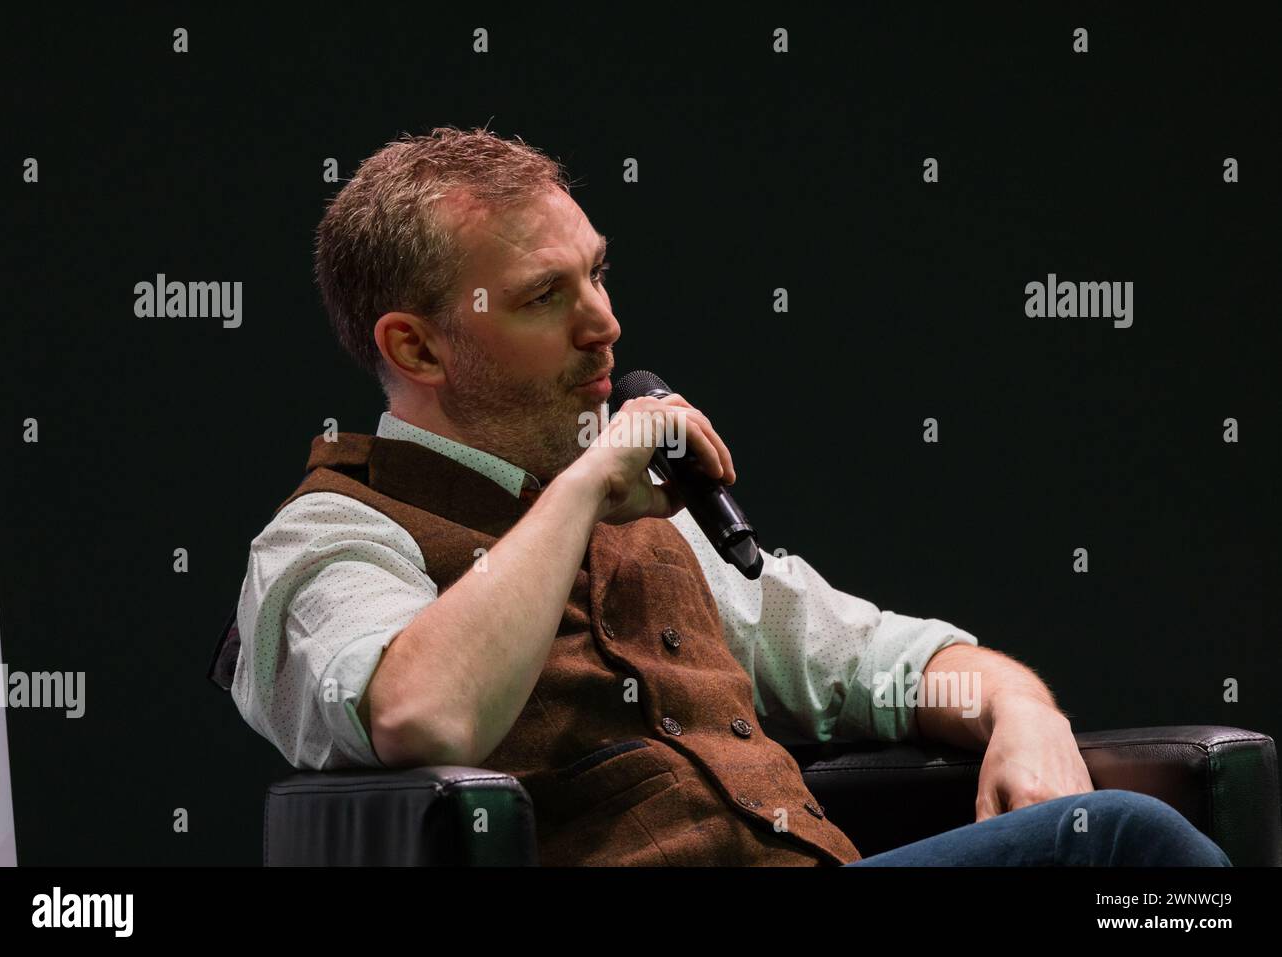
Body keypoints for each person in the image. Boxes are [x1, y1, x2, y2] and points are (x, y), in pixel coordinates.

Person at [227, 126, 1230, 867]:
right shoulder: (330, 537)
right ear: (415, 346)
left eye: (598, 276)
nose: (604, 326)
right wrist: (579, 491)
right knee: (1117, 846)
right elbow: (421, 716)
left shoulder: (662, 536)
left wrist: (1019, 709)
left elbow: (880, 658)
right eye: (546, 297)